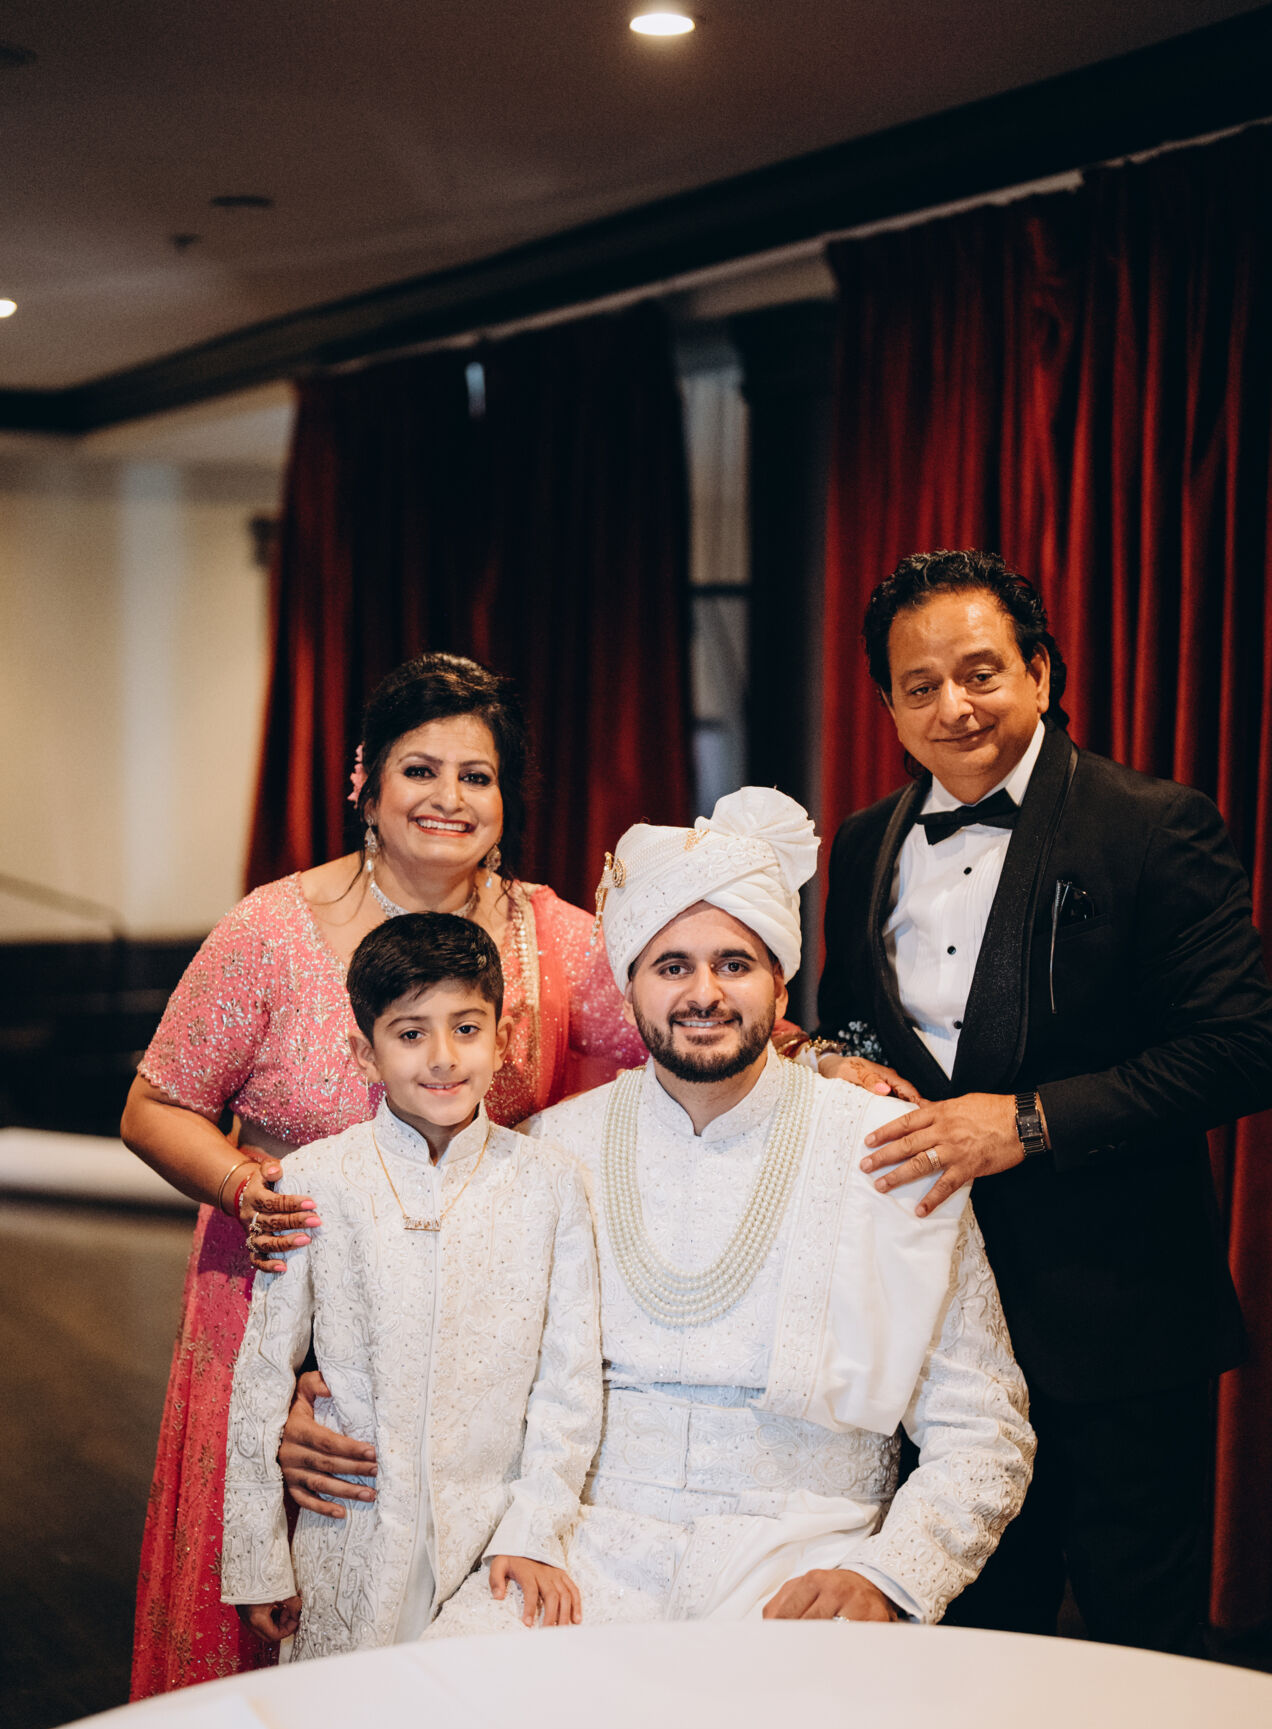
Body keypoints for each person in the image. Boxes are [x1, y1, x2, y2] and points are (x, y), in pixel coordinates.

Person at [123, 653, 643, 1697]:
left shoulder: (549, 938)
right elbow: (154, 1104)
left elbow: (674, 1030)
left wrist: (823, 1059)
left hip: (465, 1351)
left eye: (476, 775)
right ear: (364, 778)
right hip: (283, 1302)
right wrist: (247, 1190)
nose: (449, 798)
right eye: (420, 769)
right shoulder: (273, 930)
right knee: (287, 1637)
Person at [416, 787, 1033, 1635]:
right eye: (672, 967)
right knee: (453, 1696)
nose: (703, 994)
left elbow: (983, 1425)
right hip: (575, 1550)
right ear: (629, 990)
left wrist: (887, 1576)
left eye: (734, 965)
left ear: (781, 986)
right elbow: (468, 1379)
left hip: (807, 1556)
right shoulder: (552, 1148)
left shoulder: (886, 1148)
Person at [814, 549, 1272, 1654]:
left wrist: (1024, 1121)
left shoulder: (1153, 823)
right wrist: (831, 1061)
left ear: (1041, 671)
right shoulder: (865, 840)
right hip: (932, 1324)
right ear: (886, 705)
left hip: (1117, 1320)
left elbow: (1240, 1047)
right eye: (920, 686)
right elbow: (850, 1022)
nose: (954, 707)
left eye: (980, 673)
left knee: (1140, 1647)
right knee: (967, 1640)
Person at [221, 914, 601, 1656]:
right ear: (365, 1053)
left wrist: (534, 1530)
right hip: (348, 1535)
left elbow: (571, 1378)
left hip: (489, 1540)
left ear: (503, 1038)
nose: (443, 1058)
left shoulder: (550, 1183)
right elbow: (263, 1375)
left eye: (467, 1028)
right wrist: (258, 1557)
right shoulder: (315, 1179)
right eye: (410, 1033)